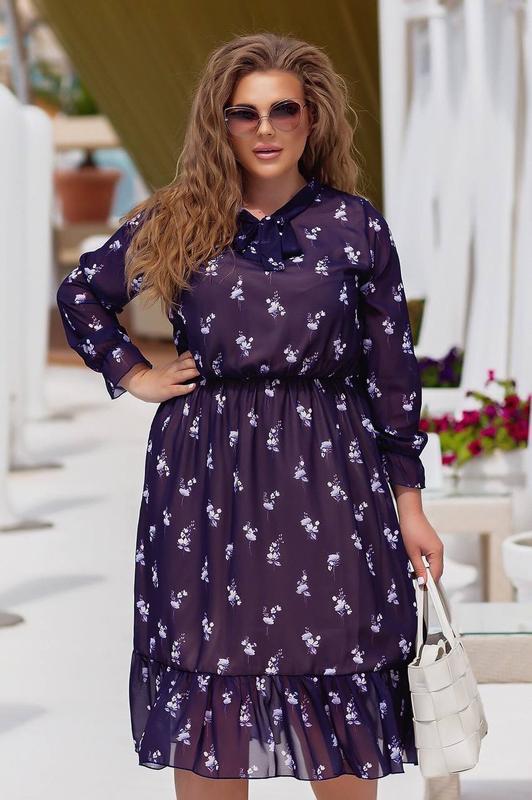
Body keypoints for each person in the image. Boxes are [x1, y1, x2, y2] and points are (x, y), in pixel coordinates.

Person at [56, 31, 444, 800]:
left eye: (283, 110)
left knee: (338, 660)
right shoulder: (180, 216)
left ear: (312, 119)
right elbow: (82, 294)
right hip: (205, 480)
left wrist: (411, 505)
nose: (265, 129)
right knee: (210, 668)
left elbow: (393, 374)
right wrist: (135, 374)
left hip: (331, 476)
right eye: (245, 113)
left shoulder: (354, 224)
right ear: (221, 122)